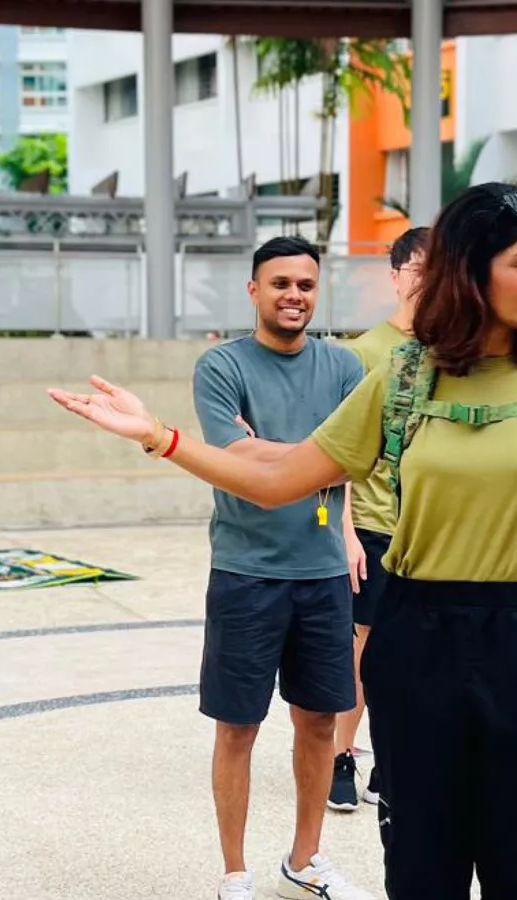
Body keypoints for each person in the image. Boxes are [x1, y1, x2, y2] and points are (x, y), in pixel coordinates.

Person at [49, 182, 517, 900]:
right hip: (420, 637)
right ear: (472, 268)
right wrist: (159, 437)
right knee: (422, 866)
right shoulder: (401, 376)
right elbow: (279, 479)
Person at [189, 235, 372, 900]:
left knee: (320, 721)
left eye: (304, 284)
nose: (294, 295)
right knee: (237, 724)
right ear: (254, 291)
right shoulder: (221, 366)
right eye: (280, 284)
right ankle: (235, 871)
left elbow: (355, 457)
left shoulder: (346, 367)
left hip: (320, 572)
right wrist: (314, 452)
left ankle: (306, 858)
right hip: (246, 571)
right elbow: (234, 458)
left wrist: (276, 454)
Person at [327, 225, 429, 813]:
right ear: (394, 277)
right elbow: (336, 454)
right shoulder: (363, 352)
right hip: (372, 524)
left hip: (434, 531)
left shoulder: (456, 354)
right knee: (363, 650)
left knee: (418, 653)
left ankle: (395, 759)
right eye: (415, 268)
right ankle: (344, 754)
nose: (427, 279)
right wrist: (343, 533)